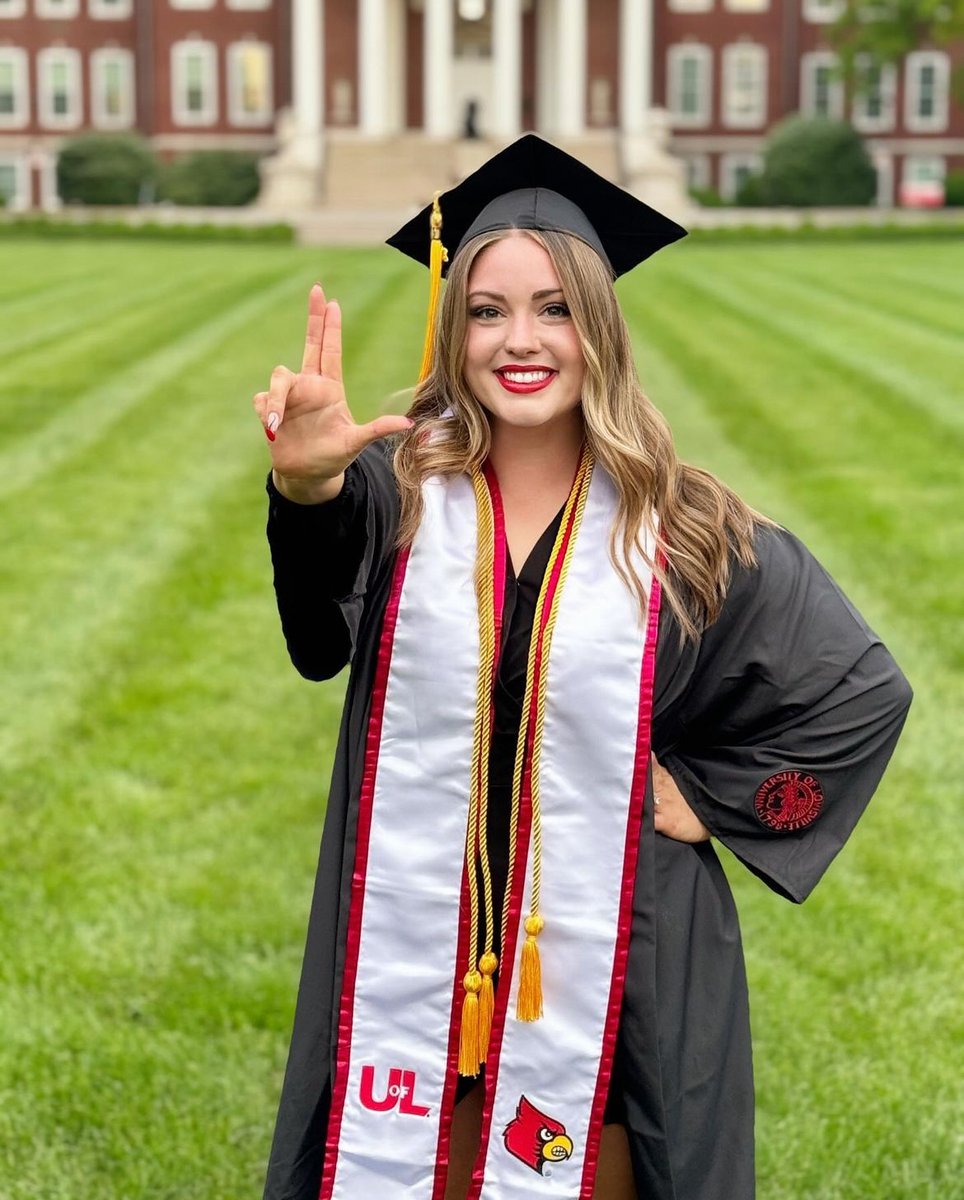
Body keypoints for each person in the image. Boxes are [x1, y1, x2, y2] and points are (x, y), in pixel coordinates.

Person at [252, 136, 911, 1200]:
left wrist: (710, 799)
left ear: (598, 328)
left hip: (616, 957)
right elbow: (319, 636)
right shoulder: (398, 494)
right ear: (453, 328)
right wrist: (306, 493)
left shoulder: (686, 527)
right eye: (486, 310)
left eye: (554, 309)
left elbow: (859, 690)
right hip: (416, 946)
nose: (520, 341)